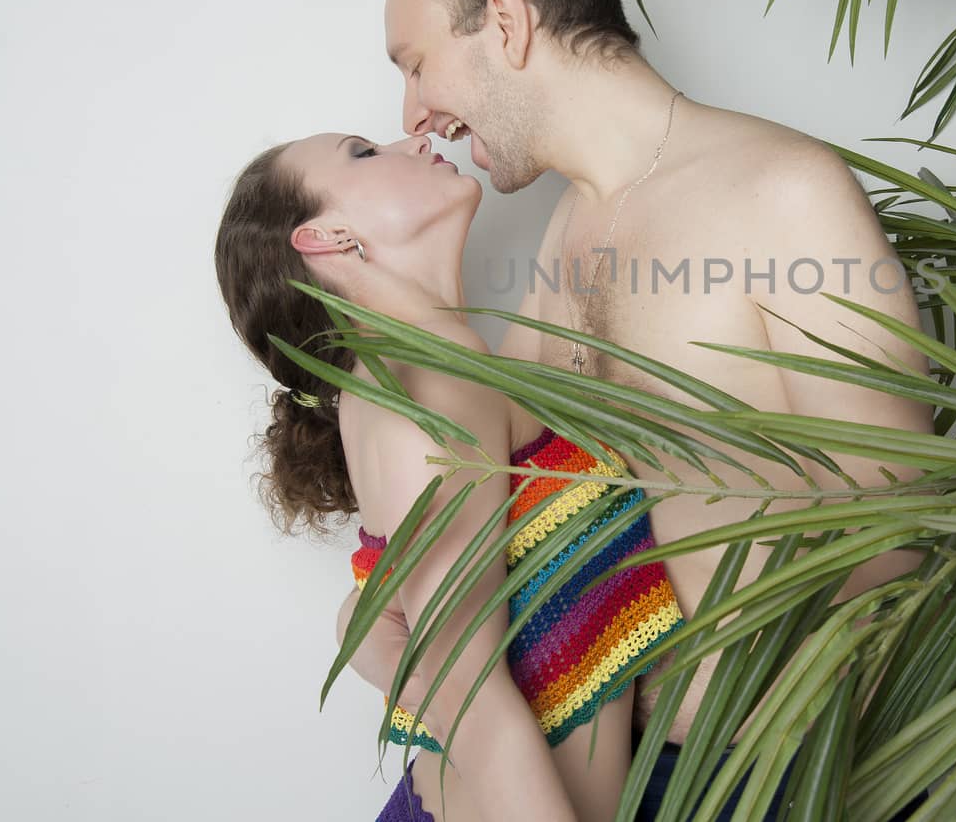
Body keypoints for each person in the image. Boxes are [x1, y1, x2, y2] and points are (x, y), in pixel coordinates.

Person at [380, 0, 935, 819]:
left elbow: (898, 533)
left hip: (762, 777)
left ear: (506, 22)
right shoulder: (568, 232)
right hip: (608, 768)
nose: (411, 113)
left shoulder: (782, 192)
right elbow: (489, 460)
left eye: (416, 64)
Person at [214, 131, 685, 822]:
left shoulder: (422, 372)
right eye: (363, 153)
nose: (413, 137)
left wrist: (371, 640)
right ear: (328, 237)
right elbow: (470, 698)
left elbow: (388, 624)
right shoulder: (427, 385)